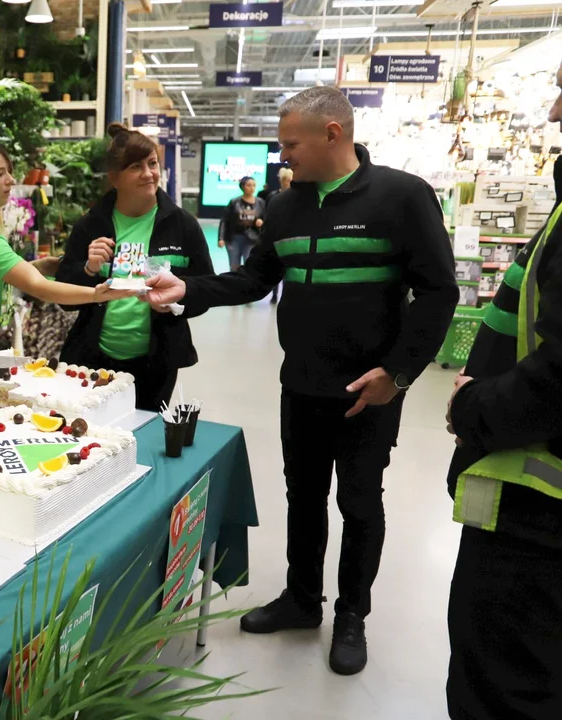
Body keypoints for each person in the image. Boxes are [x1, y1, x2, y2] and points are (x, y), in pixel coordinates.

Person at [143, 86, 458, 675]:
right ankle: (302, 599)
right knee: (303, 497)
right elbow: (256, 280)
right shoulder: (285, 206)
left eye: (291, 144)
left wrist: (398, 373)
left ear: (332, 134)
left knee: (360, 501)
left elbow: (439, 290)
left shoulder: (401, 196)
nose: (283, 155)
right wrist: (190, 291)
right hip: (302, 384)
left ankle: (351, 615)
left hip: (369, 389)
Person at [445, 62, 562, 720]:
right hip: (525, 514)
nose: (551, 110)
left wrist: (472, 406)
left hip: (539, 525)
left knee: (505, 692)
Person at [0, 141, 133, 408]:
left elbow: (9, 274)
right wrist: (97, 293)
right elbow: (38, 287)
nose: (10, 180)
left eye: (9, 171)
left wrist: (46, 265)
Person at [55, 123, 214, 412]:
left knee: (146, 437)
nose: (149, 173)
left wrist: (174, 302)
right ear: (115, 178)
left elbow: (205, 290)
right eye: (136, 167)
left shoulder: (182, 225)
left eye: (152, 163)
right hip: (93, 360)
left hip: (158, 362)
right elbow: (63, 295)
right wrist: (89, 270)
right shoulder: (91, 225)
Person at [220, 176, 265, 271]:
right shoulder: (234, 202)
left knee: (249, 265)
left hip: (252, 238)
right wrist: (221, 238)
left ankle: (247, 284)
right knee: (234, 266)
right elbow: (225, 220)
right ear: (243, 186)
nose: (252, 188)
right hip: (234, 238)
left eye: (254, 185)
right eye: (249, 185)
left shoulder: (261, 202)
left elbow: (266, 218)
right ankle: (234, 284)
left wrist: (261, 222)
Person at [269, 167, 294, 304]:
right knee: (275, 269)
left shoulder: (298, 197)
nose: (290, 183)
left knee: (287, 270)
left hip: (291, 238)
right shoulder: (274, 197)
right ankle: (274, 295)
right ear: (282, 181)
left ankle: (285, 295)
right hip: (276, 236)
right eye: (288, 180)